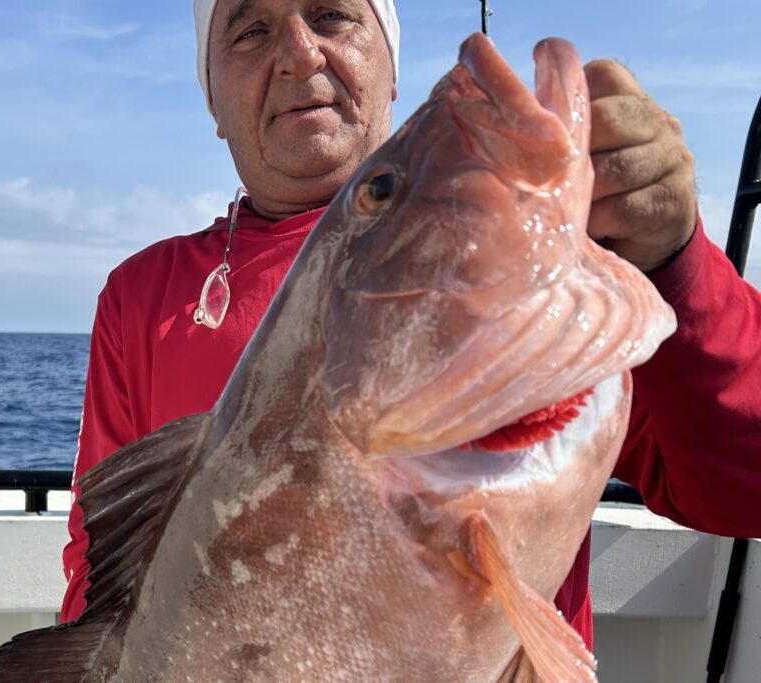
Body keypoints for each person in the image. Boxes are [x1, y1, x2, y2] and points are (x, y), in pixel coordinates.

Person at [61, 0, 761, 653]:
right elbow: (102, 591)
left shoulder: (556, 277)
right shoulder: (141, 295)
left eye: (333, 15)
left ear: (391, 67)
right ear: (211, 96)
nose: (300, 53)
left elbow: (743, 483)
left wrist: (676, 262)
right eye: (250, 31)